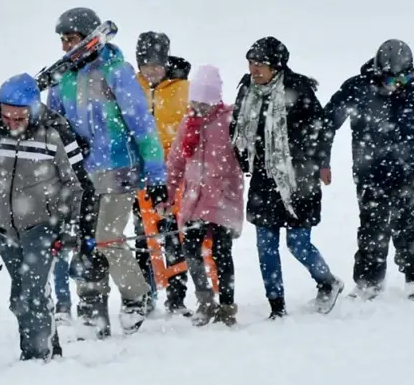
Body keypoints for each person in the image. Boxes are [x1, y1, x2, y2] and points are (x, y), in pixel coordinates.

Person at [47, 7, 168, 338]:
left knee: (107, 238)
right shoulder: (62, 78)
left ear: (89, 39)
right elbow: (53, 123)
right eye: (62, 40)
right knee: (86, 244)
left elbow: (143, 125)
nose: (65, 46)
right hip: (81, 174)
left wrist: (156, 177)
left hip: (118, 169)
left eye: (70, 39)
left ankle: (136, 296)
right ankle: (91, 310)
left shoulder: (116, 71)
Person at [0, 73, 87, 361]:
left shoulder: (51, 137)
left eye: (20, 118)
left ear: (34, 111)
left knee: (33, 293)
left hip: (43, 226)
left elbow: (74, 186)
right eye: (6, 116)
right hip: (5, 231)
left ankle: (38, 355)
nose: (12, 123)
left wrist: (70, 226)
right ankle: (44, 349)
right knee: (20, 296)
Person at [321, 39, 414, 300]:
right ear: (378, 72)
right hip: (369, 169)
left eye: (402, 79)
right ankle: (369, 281)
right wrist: (322, 160)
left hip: (408, 168)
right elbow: (327, 123)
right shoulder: (357, 89)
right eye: (390, 80)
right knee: (372, 222)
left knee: (407, 218)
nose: (396, 85)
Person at [229, 37, 344, 319]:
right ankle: (277, 306)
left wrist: (323, 163)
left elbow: (322, 129)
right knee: (265, 245)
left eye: (261, 64)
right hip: (263, 177)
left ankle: (328, 282)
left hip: (298, 179)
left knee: (298, 243)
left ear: (277, 66)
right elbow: (237, 126)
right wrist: (240, 157)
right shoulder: (247, 89)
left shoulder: (298, 89)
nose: (254, 69)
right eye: (251, 63)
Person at [164, 65, 244, 326]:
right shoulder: (188, 123)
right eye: (195, 102)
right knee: (191, 249)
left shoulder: (230, 121)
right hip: (195, 199)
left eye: (204, 103)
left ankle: (227, 306)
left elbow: (245, 157)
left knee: (222, 252)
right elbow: (176, 163)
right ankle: (205, 300)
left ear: (215, 99)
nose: (198, 108)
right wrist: (168, 195)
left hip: (223, 199)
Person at [133, 31, 192, 316]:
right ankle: (146, 295)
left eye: (156, 64)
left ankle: (177, 297)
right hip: (140, 172)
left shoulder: (183, 87)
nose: (151, 70)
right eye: (145, 65)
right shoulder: (131, 86)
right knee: (142, 236)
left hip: (174, 173)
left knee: (174, 235)